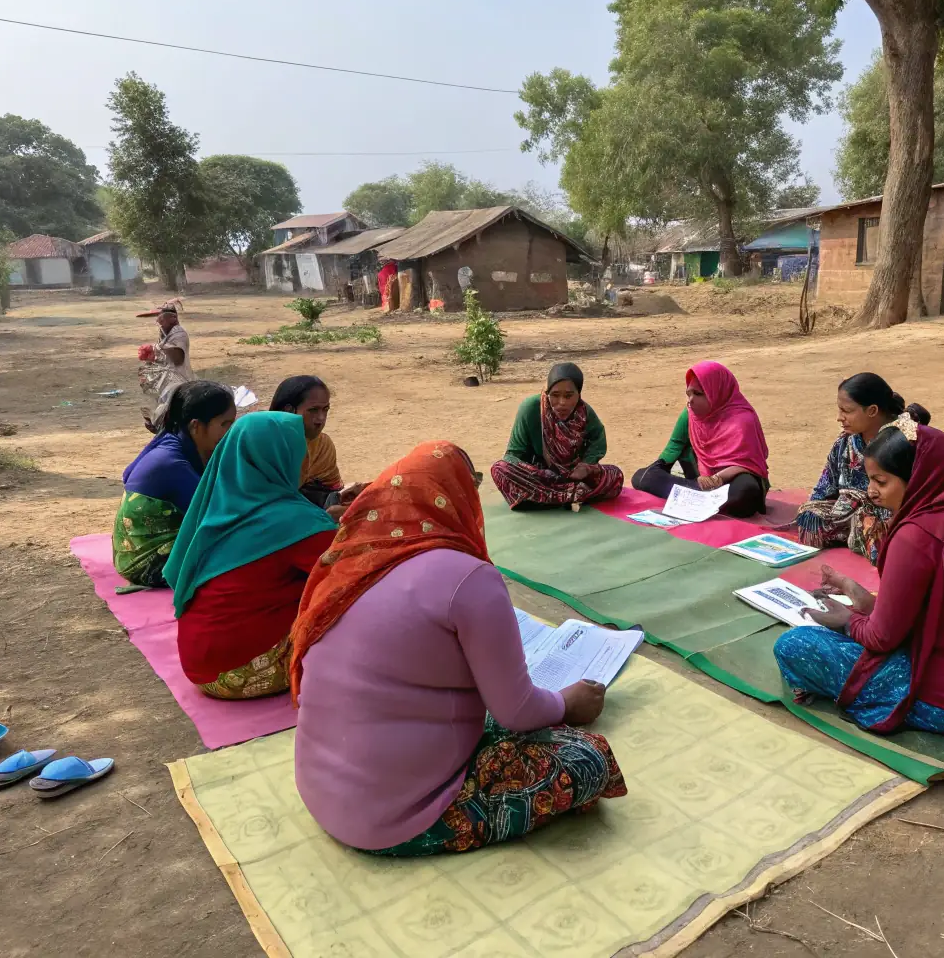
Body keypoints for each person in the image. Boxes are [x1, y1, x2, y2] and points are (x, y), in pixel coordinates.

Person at [290, 441, 627, 854]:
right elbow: (517, 711)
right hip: (395, 819)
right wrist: (567, 703)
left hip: (322, 793)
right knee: (588, 758)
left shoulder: (351, 561)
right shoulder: (469, 576)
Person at [773, 417, 944, 736]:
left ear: (916, 480)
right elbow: (938, 608)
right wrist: (857, 594)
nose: (871, 492)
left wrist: (846, 620)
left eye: (881, 481)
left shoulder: (916, 535)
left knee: (795, 645)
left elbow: (883, 638)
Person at [164, 411, 344, 700]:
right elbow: (349, 569)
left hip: (199, 663)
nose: (306, 461)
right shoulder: (296, 521)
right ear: (275, 457)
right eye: (299, 451)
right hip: (240, 671)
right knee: (357, 605)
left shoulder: (222, 503)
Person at [796, 373, 930, 563]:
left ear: (872, 410)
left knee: (883, 539)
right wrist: (812, 508)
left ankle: (869, 537)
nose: (839, 418)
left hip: (888, 514)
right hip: (847, 512)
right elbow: (825, 486)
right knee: (809, 517)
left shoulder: (902, 443)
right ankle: (857, 533)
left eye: (847, 411)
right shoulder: (846, 441)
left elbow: (913, 494)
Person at [112, 381, 236, 588]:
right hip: (146, 564)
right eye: (225, 424)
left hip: (135, 553)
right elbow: (216, 516)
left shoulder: (175, 440)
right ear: (196, 426)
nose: (231, 432)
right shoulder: (171, 463)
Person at [631, 360, 771, 518]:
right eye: (688, 394)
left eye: (698, 394)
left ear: (716, 392)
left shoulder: (743, 419)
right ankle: (700, 497)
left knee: (746, 492)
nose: (691, 400)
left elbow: (750, 464)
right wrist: (658, 468)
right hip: (699, 480)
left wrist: (717, 478)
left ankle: (693, 498)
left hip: (732, 480)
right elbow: (675, 445)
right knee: (642, 477)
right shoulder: (689, 415)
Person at [489, 363, 625, 510]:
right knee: (499, 469)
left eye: (568, 396)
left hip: (572, 476)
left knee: (615, 475)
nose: (561, 403)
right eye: (555, 395)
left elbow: (598, 439)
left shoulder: (584, 413)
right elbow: (511, 455)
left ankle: (543, 499)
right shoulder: (531, 408)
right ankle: (570, 495)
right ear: (547, 392)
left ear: (578, 394)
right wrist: (539, 473)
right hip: (538, 476)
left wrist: (586, 466)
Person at [270, 376, 343, 508]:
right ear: (289, 411)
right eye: (313, 410)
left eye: (325, 409)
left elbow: (330, 489)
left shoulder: (322, 445)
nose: (321, 419)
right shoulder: (264, 444)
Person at [137, 302, 194, 431]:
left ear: (173, 319)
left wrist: (157, 347)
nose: (159, 323)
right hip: (169, 379)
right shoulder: (166, 334)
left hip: (178, 380)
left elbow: (178, 359)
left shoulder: (179, 334)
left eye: (161, 319)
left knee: (169, 411)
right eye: (158, 320)